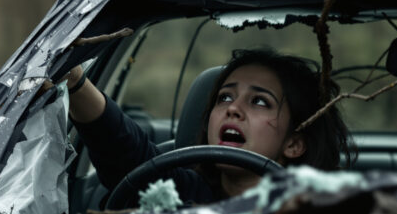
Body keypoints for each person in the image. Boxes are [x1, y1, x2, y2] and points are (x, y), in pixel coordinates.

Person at [66, 47, 353, 205]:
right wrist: (75, 81)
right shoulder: (180, 195)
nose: (233, 108)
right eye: (224, 97)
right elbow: (122, 148)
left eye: (259, 101)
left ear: (294, 143)